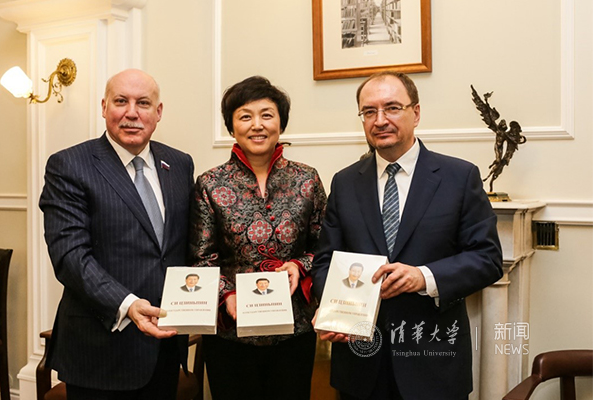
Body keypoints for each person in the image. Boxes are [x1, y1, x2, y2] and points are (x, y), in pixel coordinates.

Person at [311, 71, 503, 400]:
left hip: (433, 363)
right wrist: (332, 307)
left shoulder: (459, 177)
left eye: (392, 108)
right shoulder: (344, 182)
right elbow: (325, 260)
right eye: (369, 111)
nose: (380, 120)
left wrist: (423, 277)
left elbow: (487, 258)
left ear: (416, 113)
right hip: (360, 364)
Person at [39, 69, 194, 400]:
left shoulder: (180, 164)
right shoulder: (69, 165)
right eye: (121, 101)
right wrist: (128, 304)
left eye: (143, 103)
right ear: (104, 107)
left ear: (158, 112)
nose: (132, 113)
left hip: (164, 346)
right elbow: (70, 256)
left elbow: (183, 247)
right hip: (100, 349)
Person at [190, 76, 327, 400]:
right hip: (231, 334)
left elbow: (324, 247)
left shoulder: (307, 179)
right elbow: (201, 257)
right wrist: (226, 296)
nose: (257, 125)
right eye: (245, 116)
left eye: (267, 115)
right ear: (231, 127)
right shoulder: (210, 184)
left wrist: (299, 265)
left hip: (294, 329)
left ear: (281, 122)